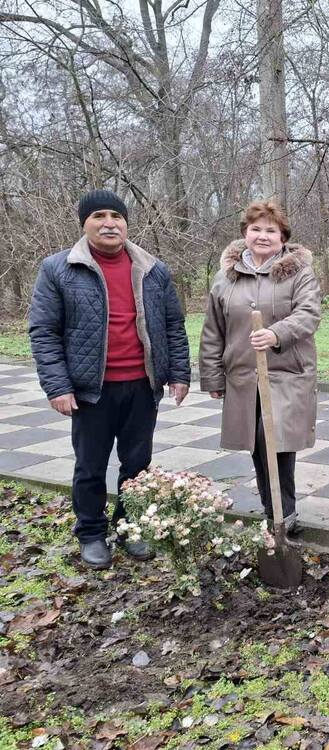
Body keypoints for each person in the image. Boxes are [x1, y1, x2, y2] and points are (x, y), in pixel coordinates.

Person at [29, 189, 191, 569]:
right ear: (84, 224)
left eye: (116, 216)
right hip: (91, 391)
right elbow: (43, 331)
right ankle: (92, 532)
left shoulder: (153, 269)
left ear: (126, 224)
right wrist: (58, 386)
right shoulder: (58, 270)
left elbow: (173, 325)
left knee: (137, 465)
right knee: (90, 466)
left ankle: (131, 527)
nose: (108, 223)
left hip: (141, 386)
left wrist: (179, 373)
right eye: (99, 216)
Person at [199, 200, 321, 536]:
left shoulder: (299, 274)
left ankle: (285, 511)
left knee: (275, 438)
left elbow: (309, 314)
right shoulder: (226, 279)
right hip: (242, 376)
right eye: (256, 229)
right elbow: (213, 331)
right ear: (245, 234)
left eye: (271, 230)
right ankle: (273, 510)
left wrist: (276, 333)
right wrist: (212, 375)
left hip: (287, 374)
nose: (263, 236)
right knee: (256, 443)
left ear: (283, 237)